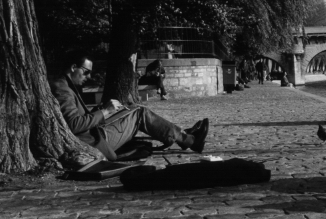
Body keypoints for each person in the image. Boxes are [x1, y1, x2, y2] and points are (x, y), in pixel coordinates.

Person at [51, 51, 209, 161]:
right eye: (86, 72)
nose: (89, 76)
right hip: (94, 141)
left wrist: (101, 110)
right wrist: (104, 111)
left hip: (94, 134)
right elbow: (73, 124)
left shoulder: (66, 85)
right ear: (73, 68)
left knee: (132, 106)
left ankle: (181, 134)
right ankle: (189, 140)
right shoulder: (62, 89)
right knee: (139, 112)